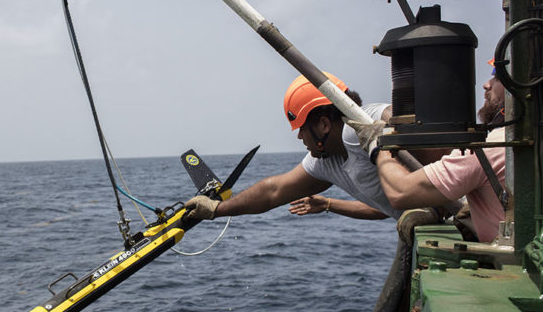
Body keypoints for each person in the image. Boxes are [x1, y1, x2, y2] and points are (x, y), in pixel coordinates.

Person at [185, 73, 403, 222]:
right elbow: (273, 191)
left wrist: (396, 123)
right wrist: (216, 209)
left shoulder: (358, 130)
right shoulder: (325, 163)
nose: (299, 136)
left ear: (324, 124)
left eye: (301, 128)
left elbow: (388, 114)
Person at [363, 61, 507, 243]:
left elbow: (401, 192)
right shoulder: (516, 141)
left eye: (498, 78)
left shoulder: (489, 148)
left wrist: (378, 145)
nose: (487, 84)